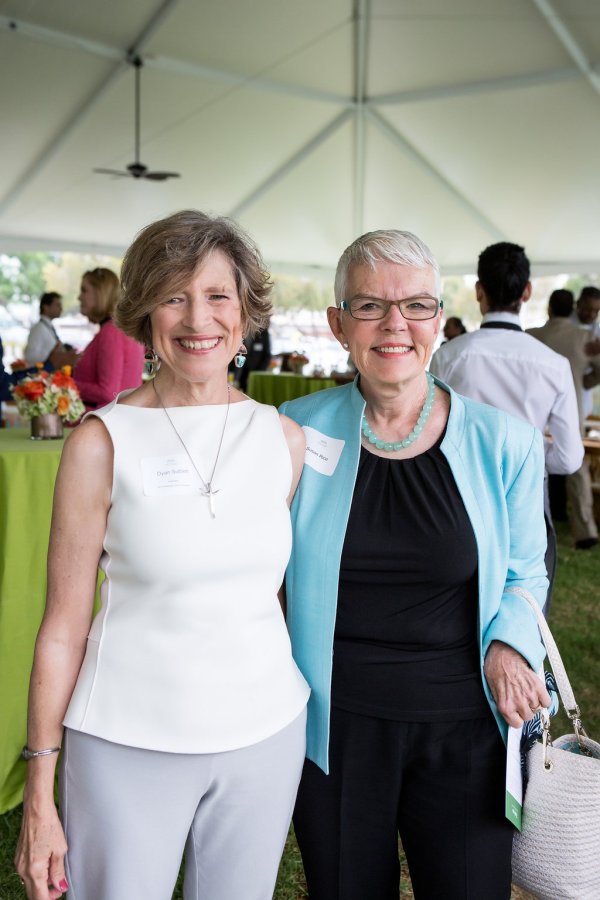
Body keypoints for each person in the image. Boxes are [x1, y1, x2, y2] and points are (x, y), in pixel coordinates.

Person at [15, 210, 310, 900]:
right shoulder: (100, 442)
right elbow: (62, 626)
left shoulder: (283, 440)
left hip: (265, 736)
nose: (196, 318)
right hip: (126, 740)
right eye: (174, 296)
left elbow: (266, 595)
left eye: (216, 296)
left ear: (245, 312)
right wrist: (39, 787)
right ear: (145, 310)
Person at [280, 229, 551, 900]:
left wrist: (511, 647)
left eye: (416, 306)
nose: (394, 324)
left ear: (439, 320)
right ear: (339, 324)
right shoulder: (293, 430)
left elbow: (526, 572)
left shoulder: (504, 442)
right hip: (334, 727)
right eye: (370, 306)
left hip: (465, 727)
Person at [430, 242, 583, 614]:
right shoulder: (553, 364)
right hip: (528, 494)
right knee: (525, 604)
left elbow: (429, 434)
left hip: (457, 493)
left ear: (479, 291)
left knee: (456, 604)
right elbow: (568, 458)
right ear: (527, 291)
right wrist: (526, 452)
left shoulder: (449, 356)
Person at [527, 289, 600, 549]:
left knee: (530, 462)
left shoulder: (531, 336)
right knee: (576, 466)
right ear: (573, 307)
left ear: (549, 307)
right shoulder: (585, 337)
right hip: (573, 409)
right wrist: (584, 381)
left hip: (533, 410)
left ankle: (531, 524)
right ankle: (585, 529)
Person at [72, 267, 144, 408]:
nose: (79, 297)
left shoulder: (112, 331)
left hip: (104, 423)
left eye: (84, 290)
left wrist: (67, 385)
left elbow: (108, 392)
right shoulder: (119, 329)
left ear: (100, 293)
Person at [24, 293, 78, 369]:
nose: (61, 309)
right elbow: (30, 357)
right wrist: (57, 358)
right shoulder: (38, 329)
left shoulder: (47, 327)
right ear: (45, 307)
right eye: (57, 305)